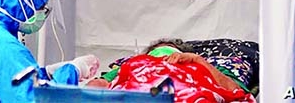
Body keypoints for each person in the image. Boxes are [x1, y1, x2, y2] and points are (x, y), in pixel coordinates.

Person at [86, 38, 254, 102]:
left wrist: (196, 60)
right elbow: (96, 87)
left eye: (169, 49)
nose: (163, 53)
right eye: (158, 50)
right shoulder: (134, 63)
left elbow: (236, 91)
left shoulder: (204, 65)